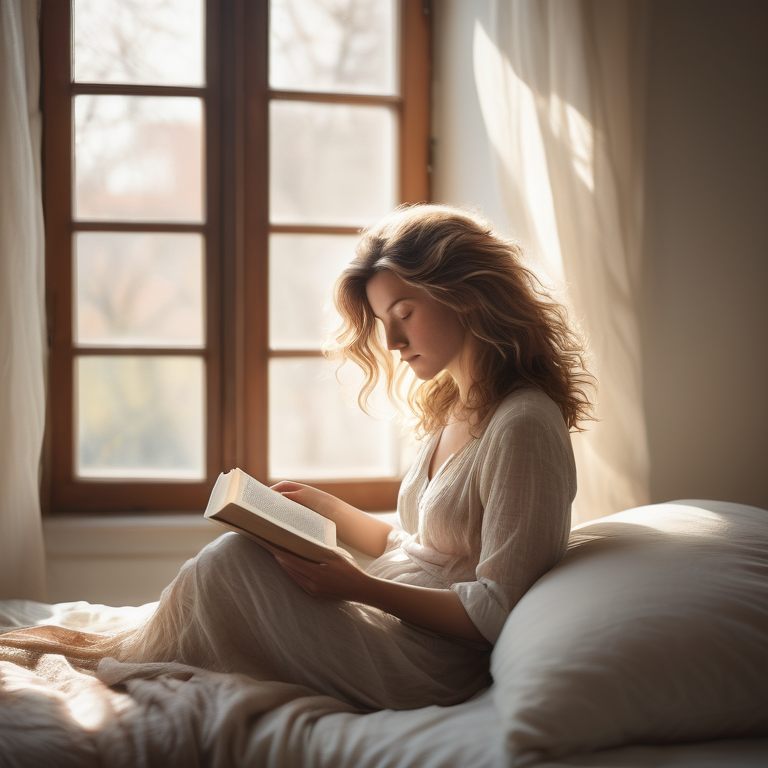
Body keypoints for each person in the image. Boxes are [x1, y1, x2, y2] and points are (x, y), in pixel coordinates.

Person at [112, 203, 594, 711]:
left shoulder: (524, 425)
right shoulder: (456, 405)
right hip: (392, 622)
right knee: (236, 559)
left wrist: (361, 587)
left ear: (468, 296)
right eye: (384, 321)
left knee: (230, 567)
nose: (392, 342)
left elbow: (499, 608)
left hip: (428, 663)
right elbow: (420, 549)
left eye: (404, 313)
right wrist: (331, 512)